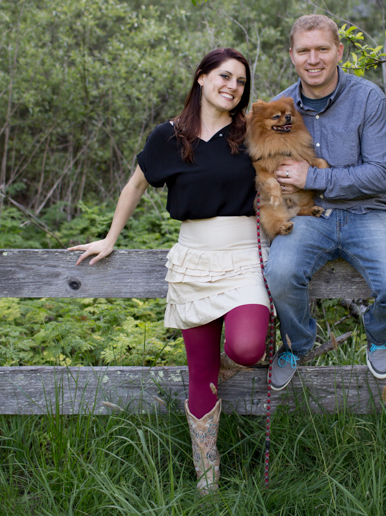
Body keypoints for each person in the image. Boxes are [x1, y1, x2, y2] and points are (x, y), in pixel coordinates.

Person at [69, 48, 270, 495]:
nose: (232, 87)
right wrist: (109, 238)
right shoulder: (170, 136)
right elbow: (135, 184)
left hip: (245, 259)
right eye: (224, 76)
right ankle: (206, 479)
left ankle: (220, 379)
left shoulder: (252, 132)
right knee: (200, 375)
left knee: (247, 348)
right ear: (201, 78)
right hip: (193, 262)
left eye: (240, 81)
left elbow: (288, 173)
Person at [265, 14, 386, 390]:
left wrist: (313, 177)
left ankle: (379, 333)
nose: (313, 59)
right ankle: (297, 343)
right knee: (280, 275)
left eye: (322, 49)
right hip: (307, 215)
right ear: (292, 55)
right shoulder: (278, 109)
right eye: (304, 50)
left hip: (368, 214)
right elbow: (272, 170)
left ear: (339, 51)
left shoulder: (368, 98)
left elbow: (381, 175)